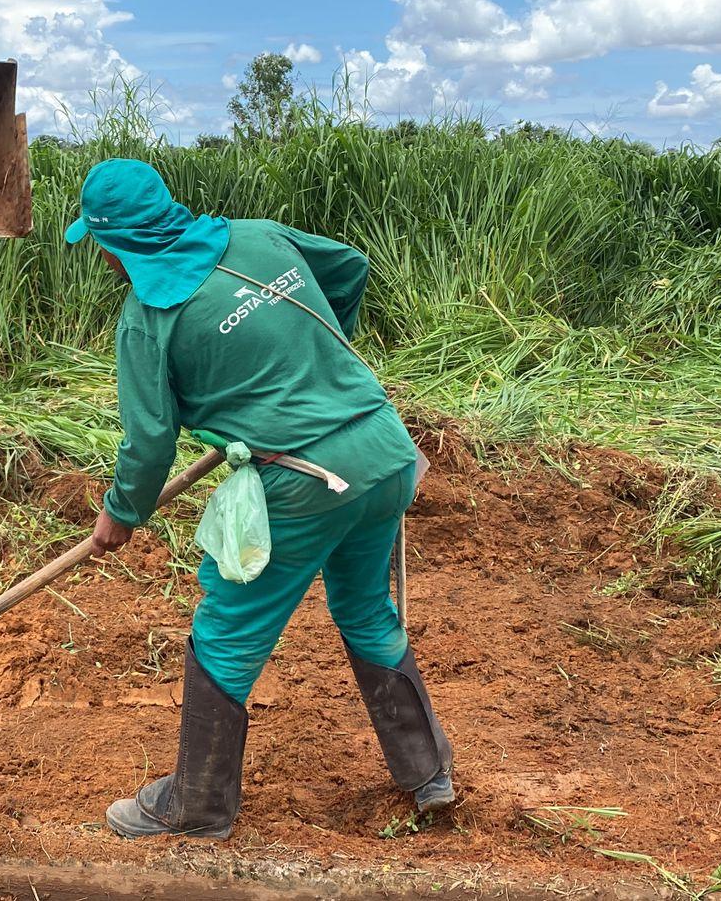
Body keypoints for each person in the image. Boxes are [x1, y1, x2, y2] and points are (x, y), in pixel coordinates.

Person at [66, 158, 454, 840]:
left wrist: (119, 516)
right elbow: (349, 269)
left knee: (227, 630)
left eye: (101, 246)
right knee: (365, 608)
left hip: (308, 479)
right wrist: (314, 367)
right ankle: (430, 774)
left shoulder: (148, 318)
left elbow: (151, 443)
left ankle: (197, 805)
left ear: (114, 243)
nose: (104, 259)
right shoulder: (259, 239)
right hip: (384, 448)